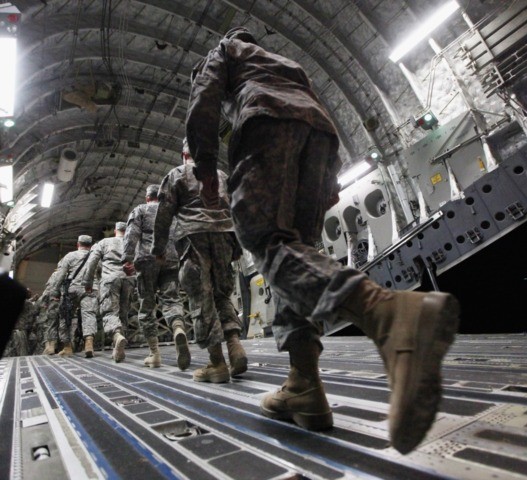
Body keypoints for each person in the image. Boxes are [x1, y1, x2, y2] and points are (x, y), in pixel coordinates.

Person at [185, 27, 460, 454]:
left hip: (266, 123)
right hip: (319, 136)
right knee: (299, 255)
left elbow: (203, 97)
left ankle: (388, 314)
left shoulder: (225, 50)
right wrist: (328, 176)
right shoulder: (288, 64)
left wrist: (204, 166)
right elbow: (320, 110)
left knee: (266, 239)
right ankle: (303, 385)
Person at [152, 139, 247, 384]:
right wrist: (236, 246)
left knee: (201, 298)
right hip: (224, 238)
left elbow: (164, 215)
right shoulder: (222, 176)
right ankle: (236, 349)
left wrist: (158, 248)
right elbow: (234, 211)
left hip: (194, 240)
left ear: (184, 154)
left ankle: (217, 364)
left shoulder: (176, 175)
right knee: (222, 295)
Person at [123, 185, 190, 369]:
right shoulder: (173, 214)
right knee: (172, 299)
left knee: (147, 304)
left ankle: (154, 353)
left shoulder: (140, 210)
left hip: (146, 260)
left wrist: (127, 259)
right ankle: (177, 328)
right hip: (171, 260)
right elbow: (182, 236)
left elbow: (131, 234)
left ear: (147, 197)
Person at [83, 222, 135, 361]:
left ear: (116, 230)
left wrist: (88, 282)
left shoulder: (105, 242)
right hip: (129, 280)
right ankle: (118, 350)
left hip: (110, 279)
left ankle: (117, 335)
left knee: (110, 312)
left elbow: (92, 262)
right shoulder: (133, 243)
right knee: (123, 313)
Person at [49, 235, 99, 357]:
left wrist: (55, 292)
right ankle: (89, 344)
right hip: (90, 289)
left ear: (78, 244)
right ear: (90, 245)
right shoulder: (96, 256)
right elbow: (102, 272)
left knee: (65, 316)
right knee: (89, 314)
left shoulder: (70, 256)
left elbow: (60, 274)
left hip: (72, 290)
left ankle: (67, 347)